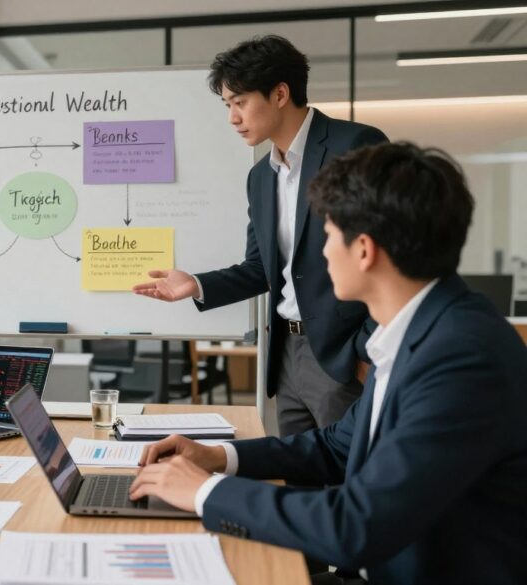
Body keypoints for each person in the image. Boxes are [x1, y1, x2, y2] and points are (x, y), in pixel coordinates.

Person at [129, 142, 527, 583]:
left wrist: (204, 492)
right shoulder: (420, 328)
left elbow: (356, 526)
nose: (321, 253)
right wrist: (219, 457)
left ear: (364, 250)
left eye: (328, 234)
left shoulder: (462, 358)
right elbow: (339, 444)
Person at [134, 35, 388, 437]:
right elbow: (261, 269)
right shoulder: (260, 177)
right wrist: (196, 285)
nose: (233, 117)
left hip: (342, 356)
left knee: (346, 485)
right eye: (227, 106)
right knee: (297, 477)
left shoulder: (353, 146)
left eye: (240, 102)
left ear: (281, 93)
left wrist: (368, 352)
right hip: (285, 355)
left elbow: (385, 256)